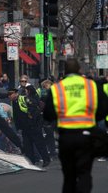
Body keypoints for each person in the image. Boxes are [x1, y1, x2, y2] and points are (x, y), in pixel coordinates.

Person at [43, 58, 108, 193]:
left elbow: (48, 114)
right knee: (84, 172)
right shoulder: (91, 85)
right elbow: (103, 109)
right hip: (86, 135)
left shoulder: (57, 88)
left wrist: (59, 120)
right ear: (79, 70)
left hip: (66, 136)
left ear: (64, 71)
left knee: (69, 176)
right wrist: (93, 119)